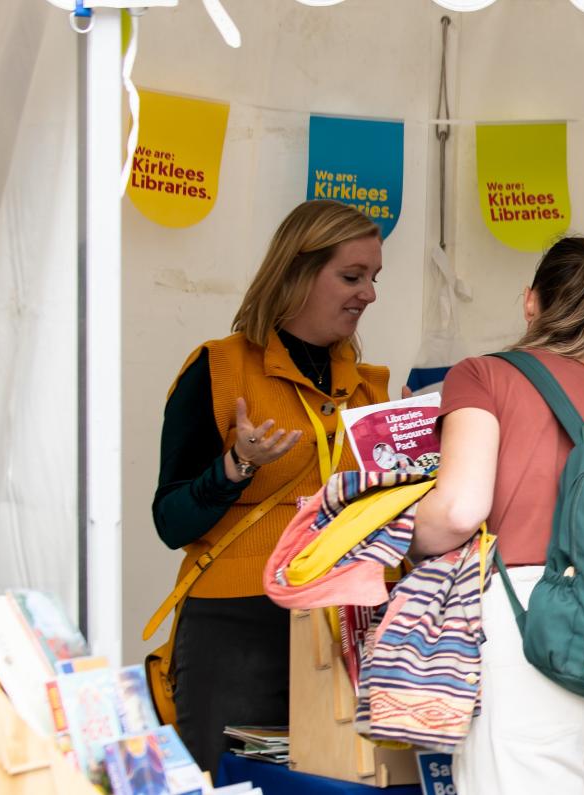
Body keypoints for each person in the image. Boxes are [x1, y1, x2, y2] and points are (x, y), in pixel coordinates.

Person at [410, 237, 584, 795]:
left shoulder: (483, 376)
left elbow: (459, 509)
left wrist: (397, 535)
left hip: (522, 626)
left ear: (530, 300)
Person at [151, 199, 390, 770]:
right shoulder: (220, 369)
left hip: (343, 624)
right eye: (352, 276)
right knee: (232, 780)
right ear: (297, 272)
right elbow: (170, 522)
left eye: (374, 278)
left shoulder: (368, 389)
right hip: (237, 622)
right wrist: (235, 467)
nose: (369, 294)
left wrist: (416, 461)